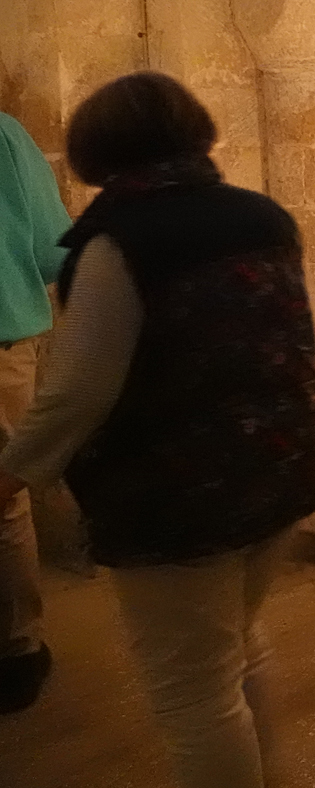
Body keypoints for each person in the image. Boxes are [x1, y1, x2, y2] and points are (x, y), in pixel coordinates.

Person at [0, 72, 315, 786]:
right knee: (238, 646)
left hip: (179, 494)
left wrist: (12, 472)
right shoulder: (261, 213)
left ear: (100, 150)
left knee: (193, 693)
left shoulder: (122, 243)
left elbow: (78, 390)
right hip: (278, 463)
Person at [0, 112, 69, 714]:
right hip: (2, 346)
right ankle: (17, 650)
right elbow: (53, 249)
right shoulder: (3, 134)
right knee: (3, 494)